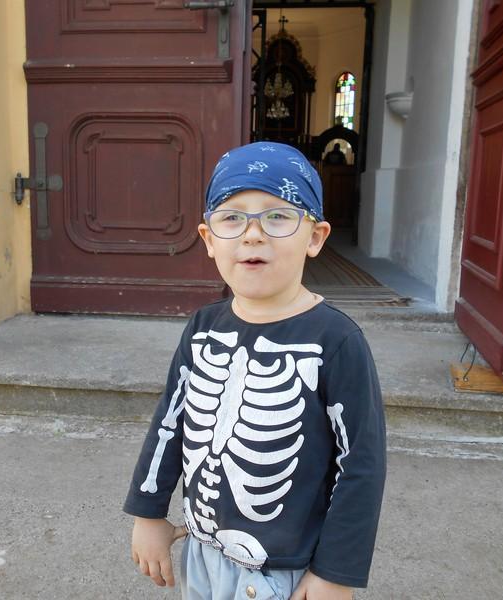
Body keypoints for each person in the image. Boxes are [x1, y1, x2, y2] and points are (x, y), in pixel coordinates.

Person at [123, 141, 386, 600]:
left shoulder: (336, 341)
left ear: (315, 237)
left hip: (282, 571)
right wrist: (148, 512)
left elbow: (361, 464)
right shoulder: (202, 328)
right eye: (231, 218)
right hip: (201, 553)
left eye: (278, 216)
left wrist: (335, 573)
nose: (252, 234)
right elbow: (170, 423)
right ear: (209, 239)